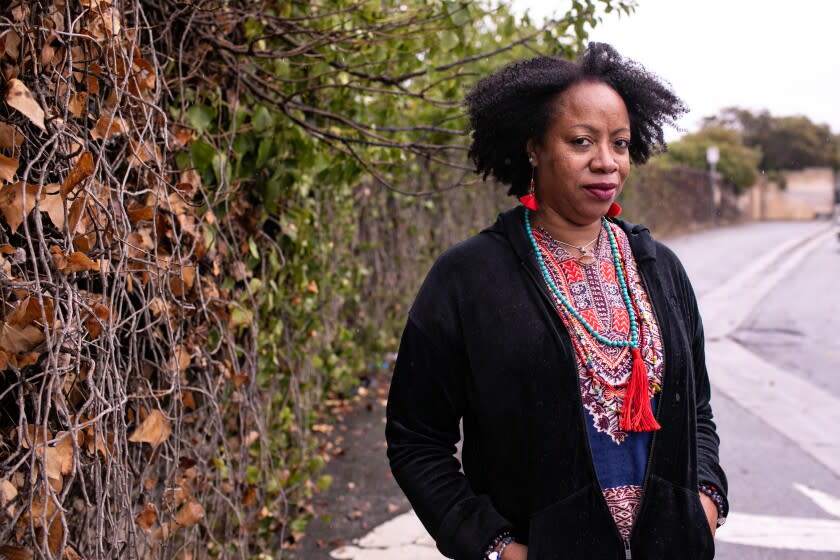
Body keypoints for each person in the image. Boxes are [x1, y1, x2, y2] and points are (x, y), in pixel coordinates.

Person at [385, 43, 728, 560]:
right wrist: (495, 548)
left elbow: (697, 409)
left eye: (620, 143)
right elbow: (416, 440)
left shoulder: (661, 270)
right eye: (581, 141)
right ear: (534, 148)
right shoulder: (469, 278)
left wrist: (705, 503)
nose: (606, 162)